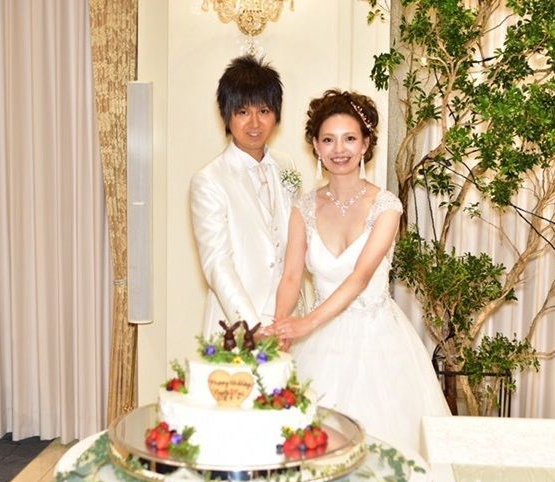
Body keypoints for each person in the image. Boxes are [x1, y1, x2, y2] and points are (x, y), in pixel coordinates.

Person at [266, 89, 450, 452]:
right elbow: (290, 277)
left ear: (365, 144)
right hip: (318, 346)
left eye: (349, 138)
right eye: (328, 140)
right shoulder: (303, 208)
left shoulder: (386, 206)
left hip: (377, 340)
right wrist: (282, 327)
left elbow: (360, 277)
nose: (339, 149)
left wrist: (306, 323)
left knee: (383, 448)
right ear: (316, 146)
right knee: (311, 445)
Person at [190, 55, 298, 339]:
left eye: (264, 111)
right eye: (242, 112)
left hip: (288, 321)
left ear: (276, 114)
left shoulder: (286, 166)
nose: (254, 123)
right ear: (227, 116)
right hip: (236, 327)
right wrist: (253, 328)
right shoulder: (209, 180)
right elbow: (217, 264)